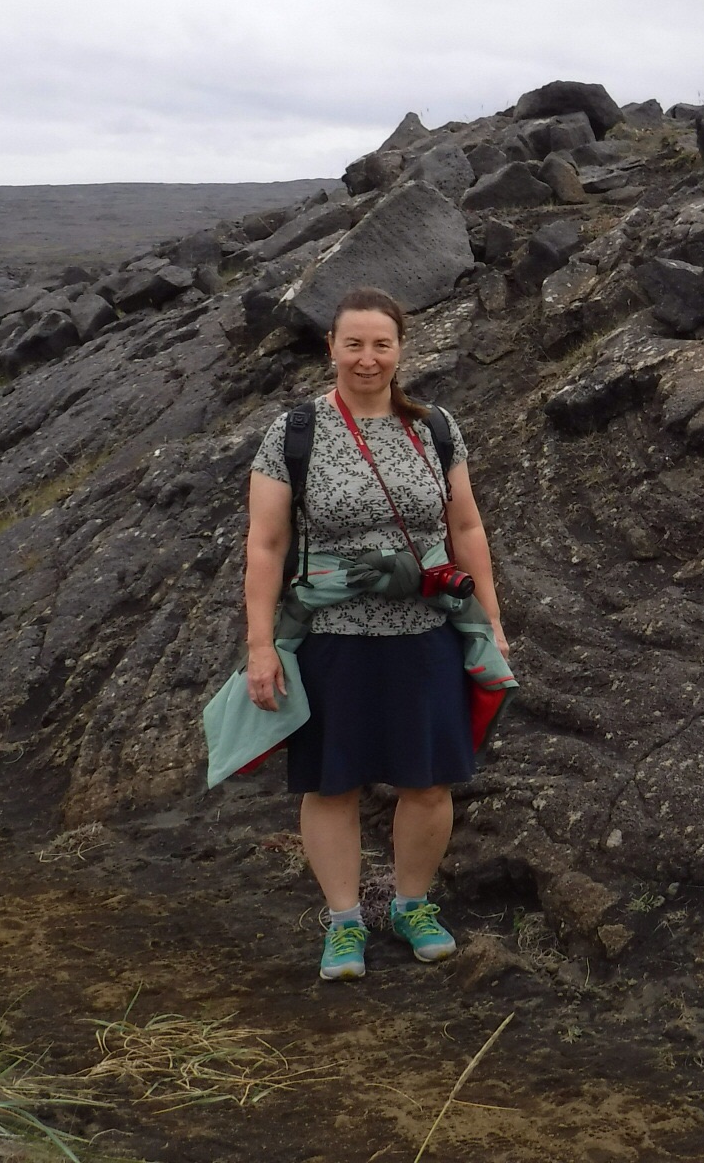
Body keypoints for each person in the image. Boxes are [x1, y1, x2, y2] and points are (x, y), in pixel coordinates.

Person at [241, 285, 511, 981]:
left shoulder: (435, 428)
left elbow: (466, 526)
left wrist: (491, 620)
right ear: (331, 347)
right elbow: (266, 544)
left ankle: (412, 906)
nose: (368, 358)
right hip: (331, 634)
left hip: (427, 629)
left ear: (400, 350)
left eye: (381, 344)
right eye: (354, 344)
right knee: (332, 783)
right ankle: (344, 923)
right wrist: (261, 645)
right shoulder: (294, 433)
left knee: (430, 782)